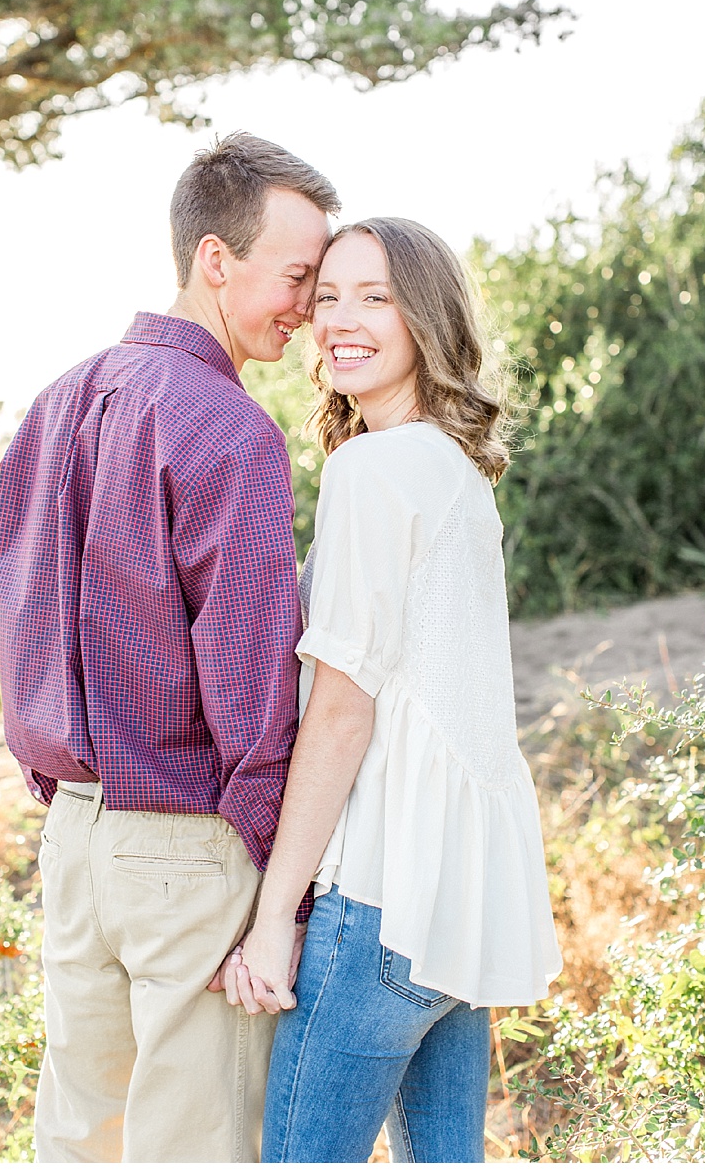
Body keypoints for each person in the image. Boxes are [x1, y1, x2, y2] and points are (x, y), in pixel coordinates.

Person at [0, 133, 337, 1160]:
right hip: (187, 837)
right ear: (215, 260)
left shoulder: (49, 409)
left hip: (74, 838)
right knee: (199, 1146)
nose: (310, 305)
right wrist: (286, 886)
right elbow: (251, 692)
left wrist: (64, 799)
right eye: (297, 275)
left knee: (79, 1135)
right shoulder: (231, 431)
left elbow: (20, 628)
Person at [223, 217, 562, 1164]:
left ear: (427, 315)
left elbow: (341, 708)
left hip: (382, 897)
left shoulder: (375, 467)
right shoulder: (451, 468)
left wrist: (274, 918)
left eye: (375, 296)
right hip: (460, 900)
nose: (340, 319)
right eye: (326, 296)